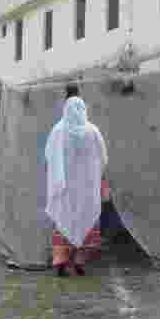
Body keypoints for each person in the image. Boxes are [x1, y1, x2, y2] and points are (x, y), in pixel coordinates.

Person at [45, 96, 107, 276]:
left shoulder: (58, 131)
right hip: (87, 188)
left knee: (64, 222)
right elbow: (103, 158)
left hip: (64, 190)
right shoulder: (93, 131)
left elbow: (49, 156)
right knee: (86, 221)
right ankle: (79, 261)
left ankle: (61, 262)